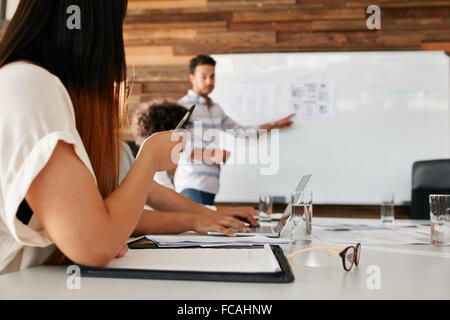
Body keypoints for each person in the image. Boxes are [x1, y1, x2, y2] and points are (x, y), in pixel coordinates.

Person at [0, 0, 249, 274]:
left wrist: (201, 217)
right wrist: (151, 157)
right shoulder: (30, 84)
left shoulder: (38, 87)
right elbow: (95, 244)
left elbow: (113, 221)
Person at [176, 55, 295, 205]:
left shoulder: (215, 109)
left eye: (212, 76)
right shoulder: (182, 107)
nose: (209, 81)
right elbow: (176, 148)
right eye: (204, 76)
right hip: (190, 185)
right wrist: (211, 154)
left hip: (211, 186)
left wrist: (274, 124)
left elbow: (242, 132)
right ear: (192, 78)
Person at [130, 99, 260, 219]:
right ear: (168, 135)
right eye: (182, 136)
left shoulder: (158, 174)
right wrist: (222, 213)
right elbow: (178, 214)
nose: (185, 145)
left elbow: (181, 210)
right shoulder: (150, 176)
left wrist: (225, 212)